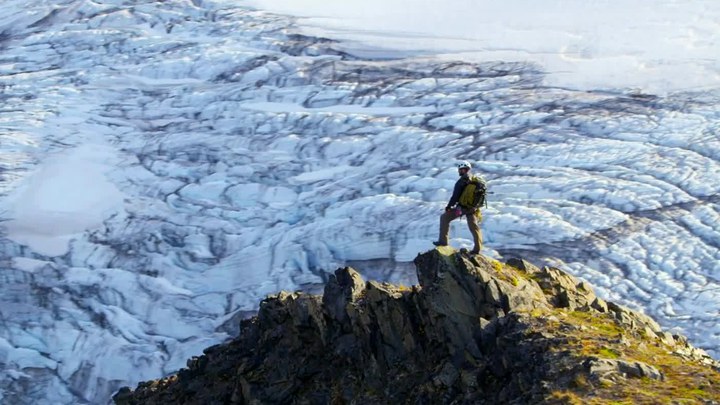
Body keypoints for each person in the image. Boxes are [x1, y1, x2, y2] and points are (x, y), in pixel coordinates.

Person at [433, 161, 483, 254]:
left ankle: (443, 242)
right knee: (474, 227)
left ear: (465, 170)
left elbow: (455, 196)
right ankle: (477, 249)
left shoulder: (461, 181)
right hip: (472, 209)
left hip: (462, 208)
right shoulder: (475, 180)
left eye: (461, 169)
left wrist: (449, 206)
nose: (459, 171)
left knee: (444, 218)